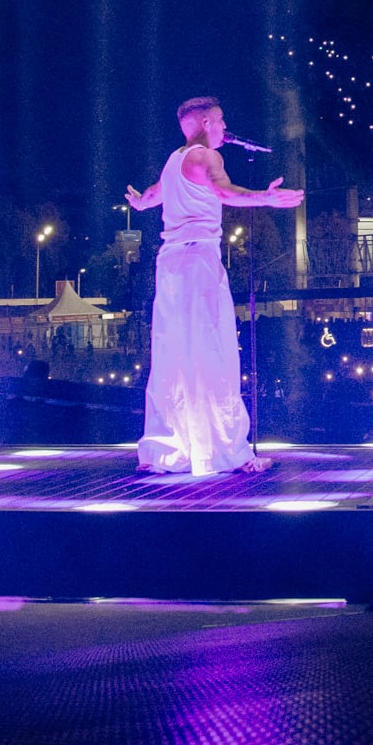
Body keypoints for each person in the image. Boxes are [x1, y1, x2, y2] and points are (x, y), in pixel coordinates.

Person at [124, 96, 303, 476]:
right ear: (205, 122)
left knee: (173, 356)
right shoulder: (206, 157)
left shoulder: (174, 159)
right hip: (198, 263)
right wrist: (267, 199)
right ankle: (225, 451)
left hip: (169, 264)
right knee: (214, 352)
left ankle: (168, 450)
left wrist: (140, 205)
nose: (225, 127)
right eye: (221, 120)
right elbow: (225, 192)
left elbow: (155, 193)